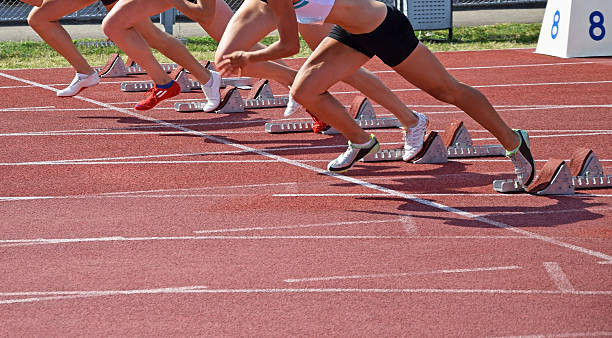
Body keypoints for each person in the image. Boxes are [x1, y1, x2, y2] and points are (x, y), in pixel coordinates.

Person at [216, 0, 535, 187]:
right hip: (350, 34)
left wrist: (248, 58)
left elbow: (289, 46)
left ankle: (513, 142)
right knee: (304, 90)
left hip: (384, 28)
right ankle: (360, 141)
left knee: (447, 90)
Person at [214, 0, 428, 150]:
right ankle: (294, 81)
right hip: (266, 3)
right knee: (225, 59)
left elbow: (290, 46)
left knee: (346, 67)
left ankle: (411, 120)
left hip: (304, 3)